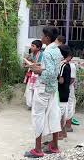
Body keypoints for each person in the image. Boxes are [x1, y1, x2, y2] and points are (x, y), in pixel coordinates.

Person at [24, 27, 63, 158]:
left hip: (43, 88)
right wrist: (39, 66)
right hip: (53, 89)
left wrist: (36, 70)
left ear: (47, 37)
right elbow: (53, 70)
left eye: (43, 35)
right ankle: (54, 146)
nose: (41, 37)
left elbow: (50, 73)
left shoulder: (47, 52)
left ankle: (37, 149)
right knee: (53, 115)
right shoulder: (57, 50)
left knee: (38, 116)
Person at [57, 45, 72, 140]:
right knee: (62, 113)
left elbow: (61, 81)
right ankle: (63, 133)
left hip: (61, 93)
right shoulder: (67, 64)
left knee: (59, 114)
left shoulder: (62, 65)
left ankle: (59, 135)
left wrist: (55, 75)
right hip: (65, 92)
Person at [24, 40, 43, 110]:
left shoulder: (42, 54)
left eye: (33, 46)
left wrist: (33, 63)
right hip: (31, 74)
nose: (31, 47)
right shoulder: (31, 54)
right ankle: (30, 104)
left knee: (36, 89)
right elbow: (25, 64)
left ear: (38, 48)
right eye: (31, 45)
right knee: (29, 89)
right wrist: (27, 62)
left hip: (38, 74)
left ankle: (35, 104)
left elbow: (41, 63)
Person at [66, 55, 77, 132]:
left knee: (69, 106)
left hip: (68, 89)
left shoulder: (71, 66)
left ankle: (68, 126)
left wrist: (64, 86)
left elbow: (72, 79)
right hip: (65, 88)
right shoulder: (64, 64)